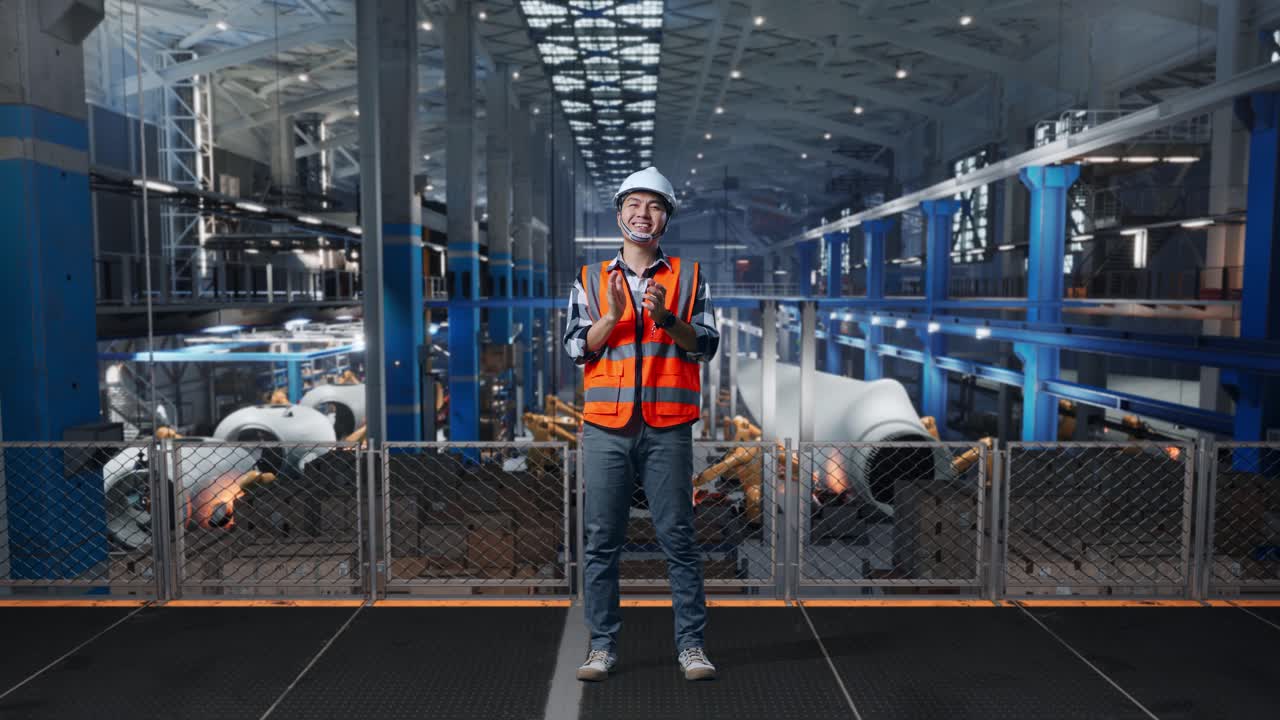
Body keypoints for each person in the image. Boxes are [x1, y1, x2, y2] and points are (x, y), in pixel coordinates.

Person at [562, 167, 720, 682]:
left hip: (667, 426)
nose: (642, 214)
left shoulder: (689, 277)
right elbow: (573, 346)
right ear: (619, 213)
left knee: (678, 535)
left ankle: (691, 647)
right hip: (607, 427)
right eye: (634, 204)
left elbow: (707, 344)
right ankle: (602, 647)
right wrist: (608, 318)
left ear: (666, 218)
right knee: (602, 540)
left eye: (654, 205)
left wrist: (668, 319)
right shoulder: (589, 279)